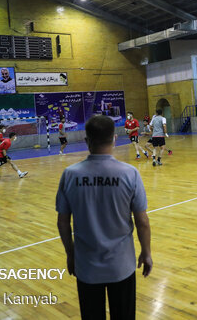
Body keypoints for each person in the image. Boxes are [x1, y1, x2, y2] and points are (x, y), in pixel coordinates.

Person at [56, 115, 152, 320]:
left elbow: (63, 222)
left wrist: (71, 254)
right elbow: (142, 221)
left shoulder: (69, 174)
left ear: (86, 140)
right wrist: (146, 252)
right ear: (114, 139)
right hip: (121, 266)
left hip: (87, 266)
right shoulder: (130, 173)